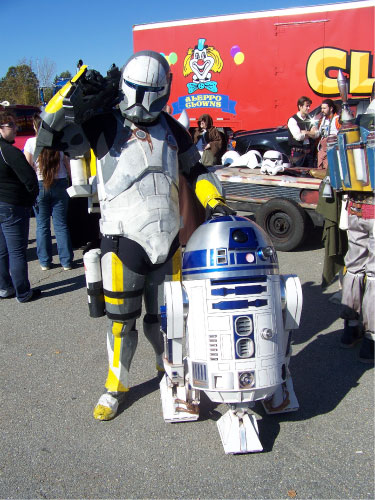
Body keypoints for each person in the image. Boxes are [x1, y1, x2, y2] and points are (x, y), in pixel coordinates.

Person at [35, 51, 234, 420]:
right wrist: (67, 94)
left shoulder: (173, 128)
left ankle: (170, 372)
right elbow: (50, 135)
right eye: (137, 91)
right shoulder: (102, 123)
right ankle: (116, 385)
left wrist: (217, 202)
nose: (143, 102)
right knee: (121, 322)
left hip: (169, 240)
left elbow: (197, 171)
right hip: (122, 240)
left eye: (150, 92)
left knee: (168, 318)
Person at [0, 110, 41, 302]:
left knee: (2, 250)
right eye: (12, 125)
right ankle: (23, 292)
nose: (16, 129)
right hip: (12, 206)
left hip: (6, 205)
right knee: (16, 251)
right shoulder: (9, 151)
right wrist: (29, 200)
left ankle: (5, 287)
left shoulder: (8, 150)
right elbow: (30, 179)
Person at [24, 115, 74, 271]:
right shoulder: (57, 142)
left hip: (40, 185)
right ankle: (66, 261)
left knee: (42, 225)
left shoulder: (31, 143)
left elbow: (27, 166)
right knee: (61, 225)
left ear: (35, 126)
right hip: (59, 183)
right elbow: (68, 165)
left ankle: (45, 261)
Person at [287, 96, 319, 167]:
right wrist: (311, 133)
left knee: (310, 175)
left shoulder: (309, 119)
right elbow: (298, 137)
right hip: (298, 154)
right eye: (307, 106)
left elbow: (317, 134)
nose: (309, 108)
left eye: (309, 106)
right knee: (298, 175)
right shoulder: (293, 120)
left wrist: (305, 132)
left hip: (309, 154)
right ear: (300, 106)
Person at [316, 99, 341, 170]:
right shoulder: (323, 120)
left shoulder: (337, 120)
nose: (322, 110)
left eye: (324, 108)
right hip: (322, 149)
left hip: (333, 150)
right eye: (321, 108)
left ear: (331, 108)